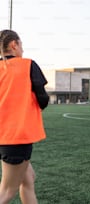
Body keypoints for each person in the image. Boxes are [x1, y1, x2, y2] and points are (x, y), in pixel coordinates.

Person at [0, 29, 49, 204]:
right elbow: (43, 99)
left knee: (28, 179)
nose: (22, 50)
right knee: (6, 192)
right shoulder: (27, 65)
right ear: (14, 44)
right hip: (16, 137)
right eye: (21, 45)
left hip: (4, 136)